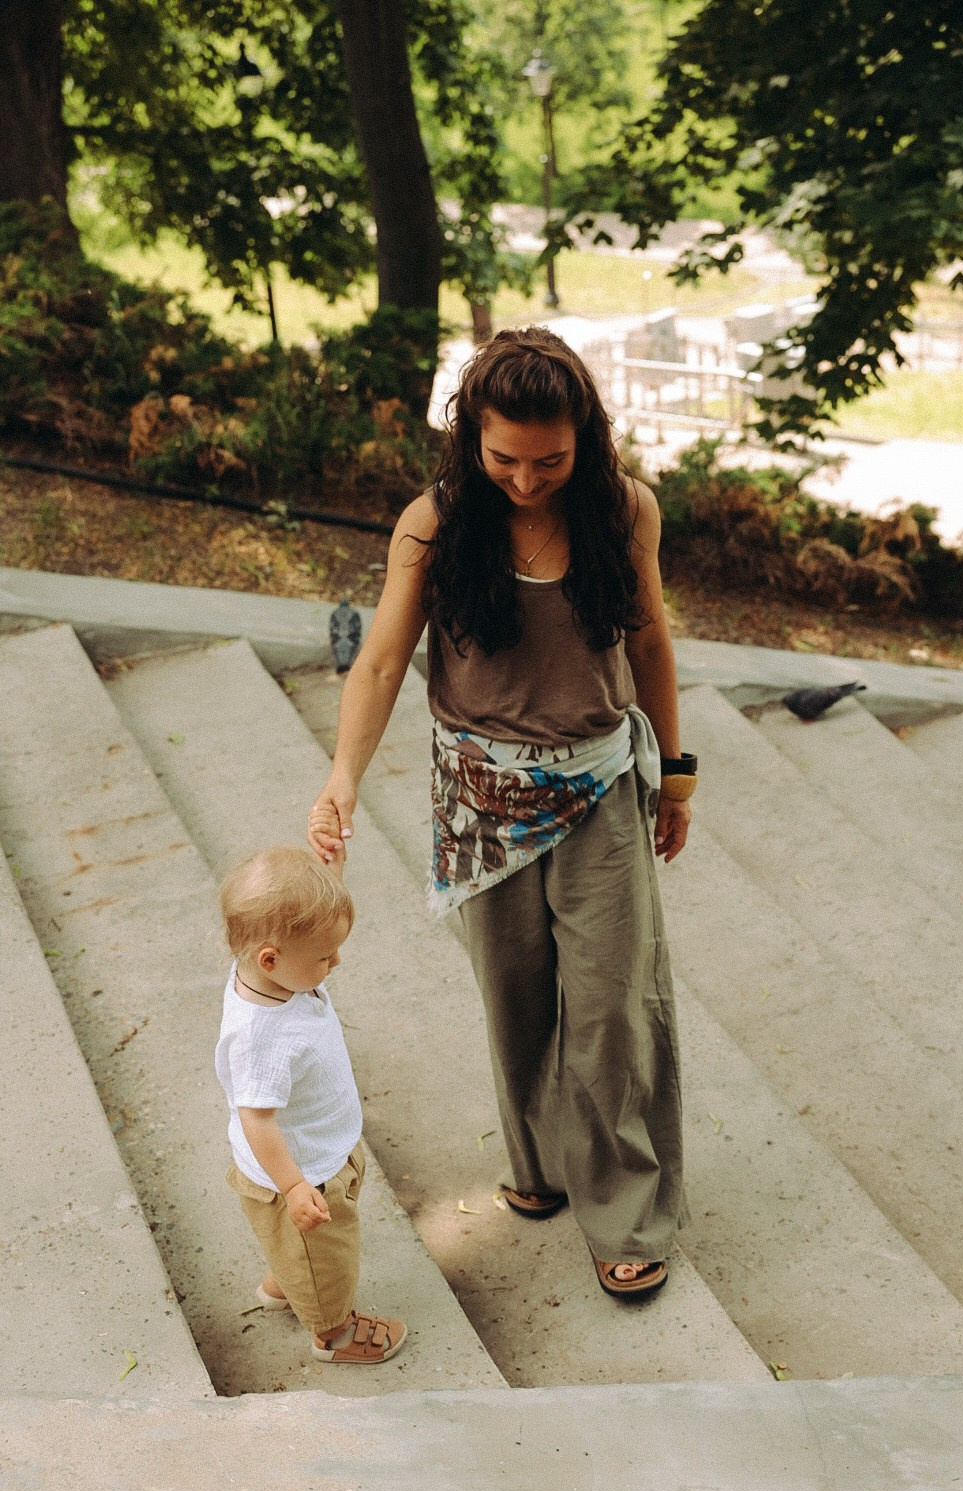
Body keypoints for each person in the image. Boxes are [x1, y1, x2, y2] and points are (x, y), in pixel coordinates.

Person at [307, 326, 695, 1300]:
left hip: (600, 785)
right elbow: (385, 660)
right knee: (516, 998)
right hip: (481, 797)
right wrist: (342, 778)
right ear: (470, 437)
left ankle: (629, 1210)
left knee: (612, 1006)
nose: (527, 480)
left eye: (551, 460)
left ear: (587, 437)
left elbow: (650, 641)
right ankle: (539, 1165)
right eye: (505, 458)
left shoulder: (623, 510)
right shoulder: (434, 525)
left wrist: (677, 771)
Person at [216, 843, 407, 1363]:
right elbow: (256, 1117)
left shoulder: (276, 974)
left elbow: (311, 922)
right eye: (326, 956)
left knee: (311, 1252)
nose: (336, 961)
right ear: (271, 958)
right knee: (330, 1256)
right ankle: (334, 1333)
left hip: (325, 1147)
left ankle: (287, 1277)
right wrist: (294, 1186)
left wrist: (334, 862)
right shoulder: (261, 1036)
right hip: (301, 1172)